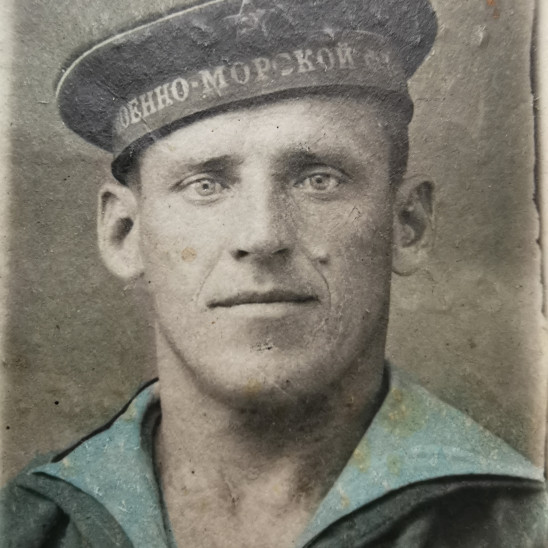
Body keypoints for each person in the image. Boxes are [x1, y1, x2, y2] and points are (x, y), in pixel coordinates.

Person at [2, 0, 547, 546]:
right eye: (205, 184)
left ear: (408, 224)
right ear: (124, 233)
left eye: (319, 179)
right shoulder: (25, 529)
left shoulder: (524, 528)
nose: (262, 236)